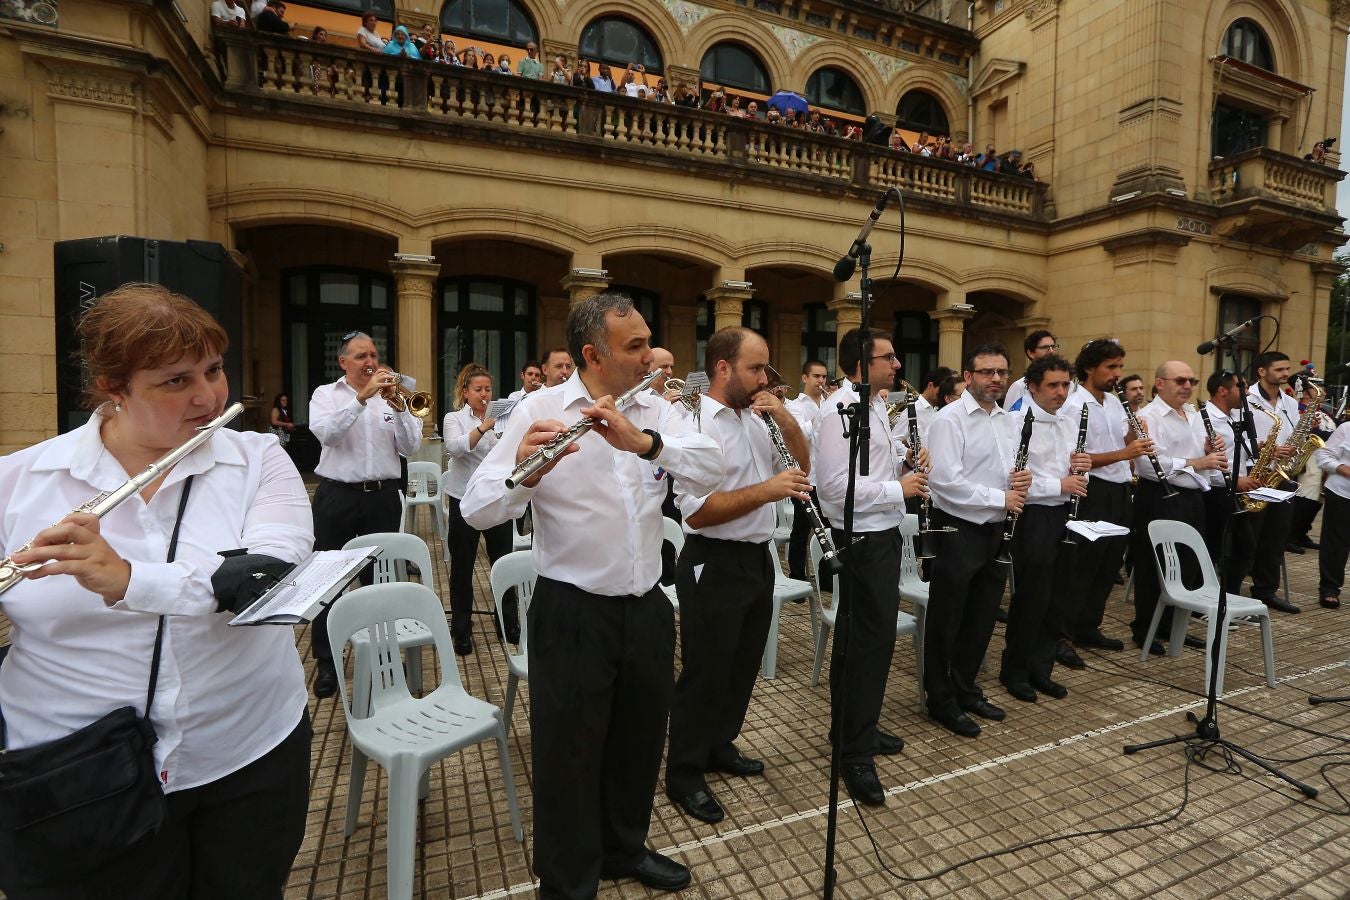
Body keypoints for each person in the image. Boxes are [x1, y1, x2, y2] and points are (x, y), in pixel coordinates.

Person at [0, 283, 313, 897]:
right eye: (175, 381)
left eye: (214, 370)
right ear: (114, 391)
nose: (208, 396)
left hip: (248, 750)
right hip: (76, 772)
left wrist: (127, 580)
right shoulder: (18, 482)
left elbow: (264, 572)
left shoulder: (259, 460)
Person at [461, 292, 722, 899]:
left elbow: (712, 469)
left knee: (639, 742)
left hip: (648, 606)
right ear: (592, 355)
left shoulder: (661, 406)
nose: (651, 355)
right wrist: (522, 472)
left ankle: (624, 849)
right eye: (635, 347)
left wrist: (647, 443)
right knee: (569, 757)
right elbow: (475, 507)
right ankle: (569, 879)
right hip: (573, 610)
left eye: (648, 340)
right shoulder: (539, 409)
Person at [666, 328, 810, 825]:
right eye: (756, 369)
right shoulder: (693, 425)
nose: (765, 378)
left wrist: (786, 418)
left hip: (755, 557)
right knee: (706, 671)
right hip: (713, 559)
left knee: (743, 665)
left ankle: (718, 744)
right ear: (723, 368)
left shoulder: (758, 419)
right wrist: (768, 491)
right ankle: (683, 771)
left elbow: (801, 468)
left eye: (768, 368)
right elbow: (698, 514)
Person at [816, 328, 926, 803]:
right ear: (860, 366)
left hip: (880, 533)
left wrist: (904, 460)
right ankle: (854, 753)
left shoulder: (878, 405)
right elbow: (832, 489)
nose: (898, 364)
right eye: (889, 357)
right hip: (861, 538)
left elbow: (869, 470)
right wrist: (896, 490)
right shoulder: (838, 412)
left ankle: (854, 727)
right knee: (866, 643)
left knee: (865, 641)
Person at [305, 331, 422, 698]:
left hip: (382, 497)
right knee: (328, 581)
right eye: (360, 356)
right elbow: (326, 435)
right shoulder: (327, 395)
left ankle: (385, 652)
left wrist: (400, 409)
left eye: (372, 354)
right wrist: (361, 398)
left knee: (380, 580)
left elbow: (411, 446)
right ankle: (326, 660)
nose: (370, 361)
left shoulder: (392, 397)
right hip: (337, 495)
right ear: (343, 362)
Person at [924, 343, 1027, 738]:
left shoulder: (1010, 421)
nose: (996, 379)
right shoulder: (950, 420)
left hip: (997, 530)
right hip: (959, 530)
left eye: (1001, 372)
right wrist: (1001, 497)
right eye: (986, 372)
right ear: (968, 377)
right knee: (947, 618)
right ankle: (940, 699)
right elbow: (945, 482)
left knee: (983, 615)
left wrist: (1023, 480)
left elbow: (1011, 468)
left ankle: (966, 689)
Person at [998, 355, 1089, 704]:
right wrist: (1061, 485)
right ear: (1033, 386)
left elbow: (1077, 475)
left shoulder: (1070, 421)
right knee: (1032, 598)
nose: (1061, 392)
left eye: (1066, 384)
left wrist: (1084, 469)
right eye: (1053, 385)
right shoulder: (1014, 423)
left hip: (1066, 514)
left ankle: (1042, 668)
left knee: (1058, 598)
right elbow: (1015, 482)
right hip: (1033, 516)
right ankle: (1015, 671)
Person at [1055, 339, 1143, 664]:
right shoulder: (1074, 404)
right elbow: (1075, 458)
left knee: (1108, 565)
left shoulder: (1114, 401)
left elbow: (1124, 442)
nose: (1117, 374)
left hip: (1120, 489)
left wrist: (1136, 433)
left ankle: (1088, 626)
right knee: (1082, 566)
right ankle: (1062, 636)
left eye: (1120, 367)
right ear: (1090, 368)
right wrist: (1124, 452)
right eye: (1111, 367)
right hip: (1093, 494)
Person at [1129, 361, 1226, 653]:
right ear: (1159, 383)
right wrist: (1197, 462)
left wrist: (1208, 452)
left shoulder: (1195, 415)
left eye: (1191, 381)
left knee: (1187, 564)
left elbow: (1199, 458)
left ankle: (1174, 627)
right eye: (1180, 380)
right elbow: (1146, 464)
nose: (1187, 386)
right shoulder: (1148, 416)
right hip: (1158, 496)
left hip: (1193, 497)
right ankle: (1145, 629)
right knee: (1154, 565)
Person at [440, 364, 514, 653]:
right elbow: (455, 448)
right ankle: (461, 628)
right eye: (478, 389)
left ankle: (507, 622)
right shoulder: (454, 417)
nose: (484, 394)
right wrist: (484, 426)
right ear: (465, 392)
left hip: (497, 498)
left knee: (502, 562)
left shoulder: (504, 417)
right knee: (462, 566)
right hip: (464, 499)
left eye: (488, 389)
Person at [1244, 351, 1301, 614]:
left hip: (1283, 475)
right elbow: (1238, 437)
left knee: (1276, 537)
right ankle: (1232, 589)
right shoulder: (1246, 400)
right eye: (1279, 369)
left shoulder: (1289, 402)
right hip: (1256, 474)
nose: (1284, 373)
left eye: (1286, 369)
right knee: (1250, 536)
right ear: (1262, 372)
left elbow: (1296, 433)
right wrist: (1265, 448)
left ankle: (1266, 591)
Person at [1202, 370, 1258, 594]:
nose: (1245, 394)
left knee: (1245, 547)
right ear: (1222, 391)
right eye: (1240, 388)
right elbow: (1205, 462)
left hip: (1235, 491)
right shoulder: (1205, 419)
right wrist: (1234, 482)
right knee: (1213, 549)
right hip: (1216, 492)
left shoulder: (1233, 417)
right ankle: (1205, 602)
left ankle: (1230, 595)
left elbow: (1236, 455)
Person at [784, 358, 830, 580]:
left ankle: (827, 576)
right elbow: (799, 435)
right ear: (804, 378)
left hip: (828, 477)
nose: (821, 381)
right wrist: (821, 415)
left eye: (823, 376)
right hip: (805, 477)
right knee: (802, 529)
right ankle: (797, 576)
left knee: (828, 530)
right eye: (816, 376)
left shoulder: (829, 403)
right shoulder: (794, 405)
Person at [1314, 417, 1350, 608]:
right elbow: (1323, 456)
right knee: (1336, 544)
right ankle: (1330, 588)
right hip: (1343, 492)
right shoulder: (1346, 428)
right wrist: (1344, 469)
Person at [1004, 330, 1058, 411]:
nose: (1051, 351)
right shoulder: (1019, 386)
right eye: (1045, 347)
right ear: (1030, 353)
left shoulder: (1066, 384)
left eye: (1053, 347)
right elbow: (1009, 419)